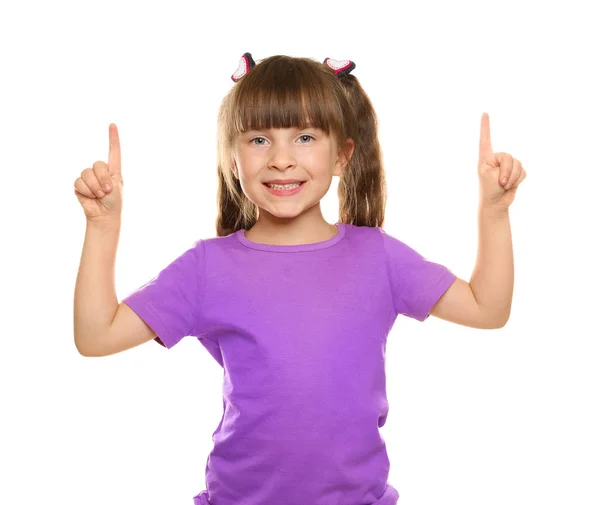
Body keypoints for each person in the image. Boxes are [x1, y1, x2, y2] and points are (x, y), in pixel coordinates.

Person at [73, 53, 527, 505]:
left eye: (305, 136)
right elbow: (96, 335)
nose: (282, 160)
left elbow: (487, 309)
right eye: (258, 140)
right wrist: (102, 228)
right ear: (232, 159)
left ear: (341, 155)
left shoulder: (378, 256)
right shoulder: (207, 267)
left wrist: (493, 212)